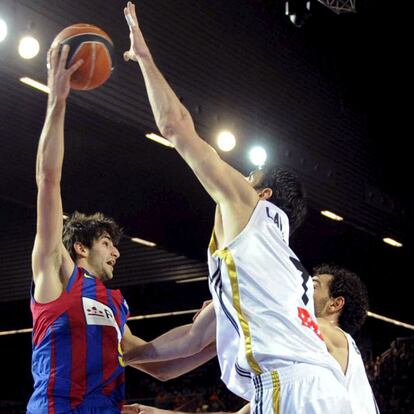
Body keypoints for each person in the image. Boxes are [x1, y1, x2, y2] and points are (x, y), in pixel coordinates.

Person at [122, 2, 350, 412]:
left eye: (248, 178)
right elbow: (184, 352)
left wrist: (144, 58)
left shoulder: (249, 211)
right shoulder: (272, 272)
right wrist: (121, 352)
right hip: (322, 389)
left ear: (261, 195)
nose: (238, 180)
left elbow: (175, 127)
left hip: (292, 388)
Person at [27, 44, 217, 414]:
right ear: (80, 247)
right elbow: (48, 180)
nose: (116, 252)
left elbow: (164, 366)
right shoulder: (53, 272)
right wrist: (58, 100)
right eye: (105, 242)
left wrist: (217, 335)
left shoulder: (116, 307)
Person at [123, 265, 379, 414]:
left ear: (336, 304)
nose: (301, 289)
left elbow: (268, 307)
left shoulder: (334, 335)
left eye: (313, 285)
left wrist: (227, 304)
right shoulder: (303, 373)